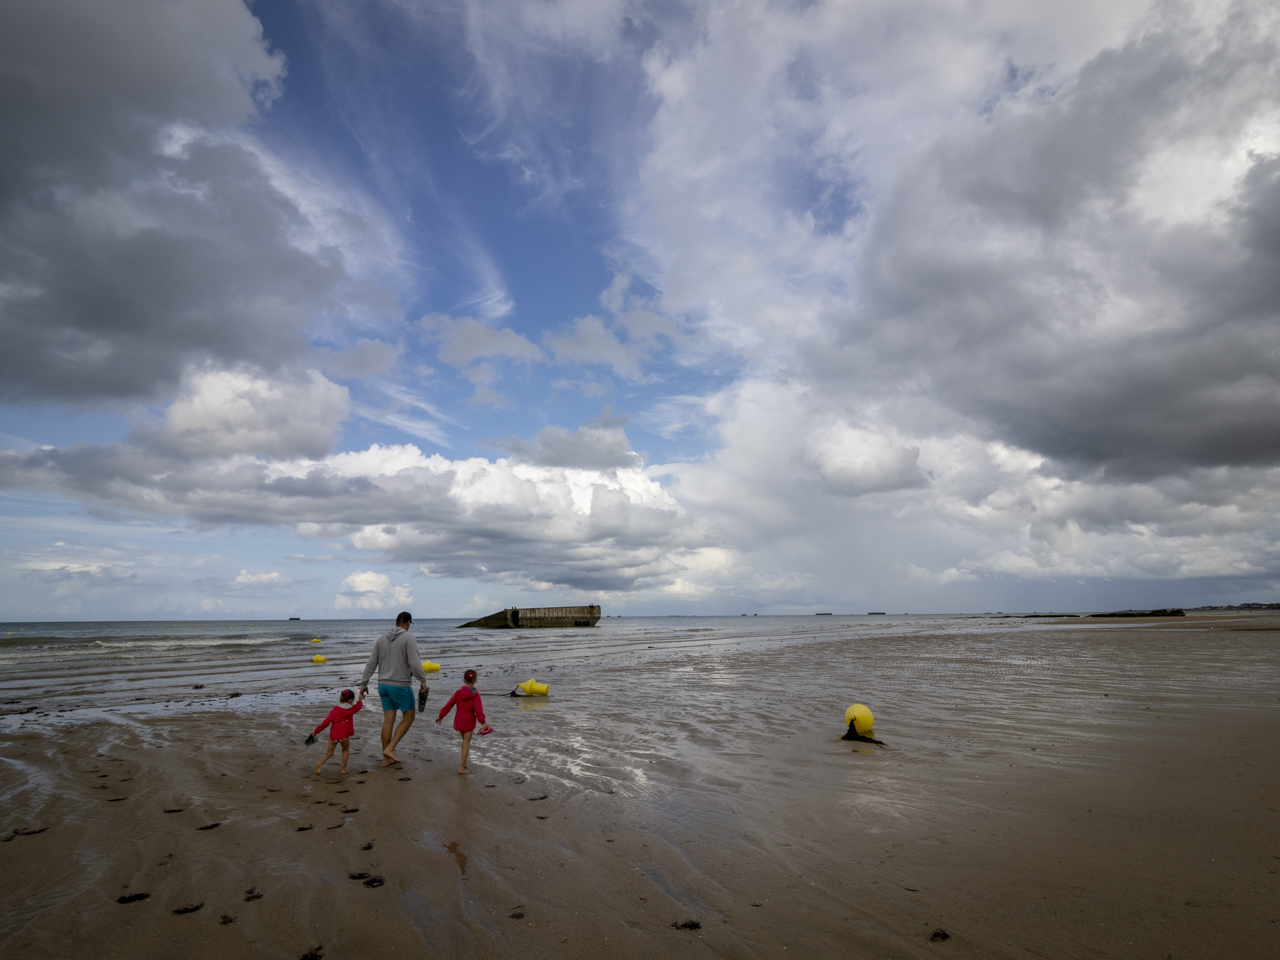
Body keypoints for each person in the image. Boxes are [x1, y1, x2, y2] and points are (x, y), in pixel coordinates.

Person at [360, 611, 429, 767]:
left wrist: (364, 684)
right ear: (408, 623)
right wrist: (423, 681)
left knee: (388, 721)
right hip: (400, 685)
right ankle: (390, 749)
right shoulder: (408, 637)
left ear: (396, 622)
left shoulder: (381, 639)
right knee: (409, 716)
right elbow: (414, 662)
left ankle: (386, 759)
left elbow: (371, 663)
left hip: (382, 686)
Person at [436, 669, 491, 775]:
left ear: (463, 680)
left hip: (459, 719)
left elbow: (449, 704)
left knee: (464, 742)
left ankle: (464, 763)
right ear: (475, 680)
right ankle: (461, 768)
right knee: (466, 743)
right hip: (468, 720)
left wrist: (441, 716)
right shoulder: (475, 694)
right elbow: (478, 710)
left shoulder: (458, 692)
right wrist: (483, 722)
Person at [312, 688, 364, 775]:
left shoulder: (335, 710)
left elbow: (325, 723)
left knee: (329, 753)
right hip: (344, 736)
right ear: (351, 700)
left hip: (334, 736)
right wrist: (360, 699)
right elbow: (359, 706)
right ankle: (343, 769)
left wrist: (315, 732)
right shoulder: (351, 709)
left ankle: (320, 763)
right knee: (345, 751)